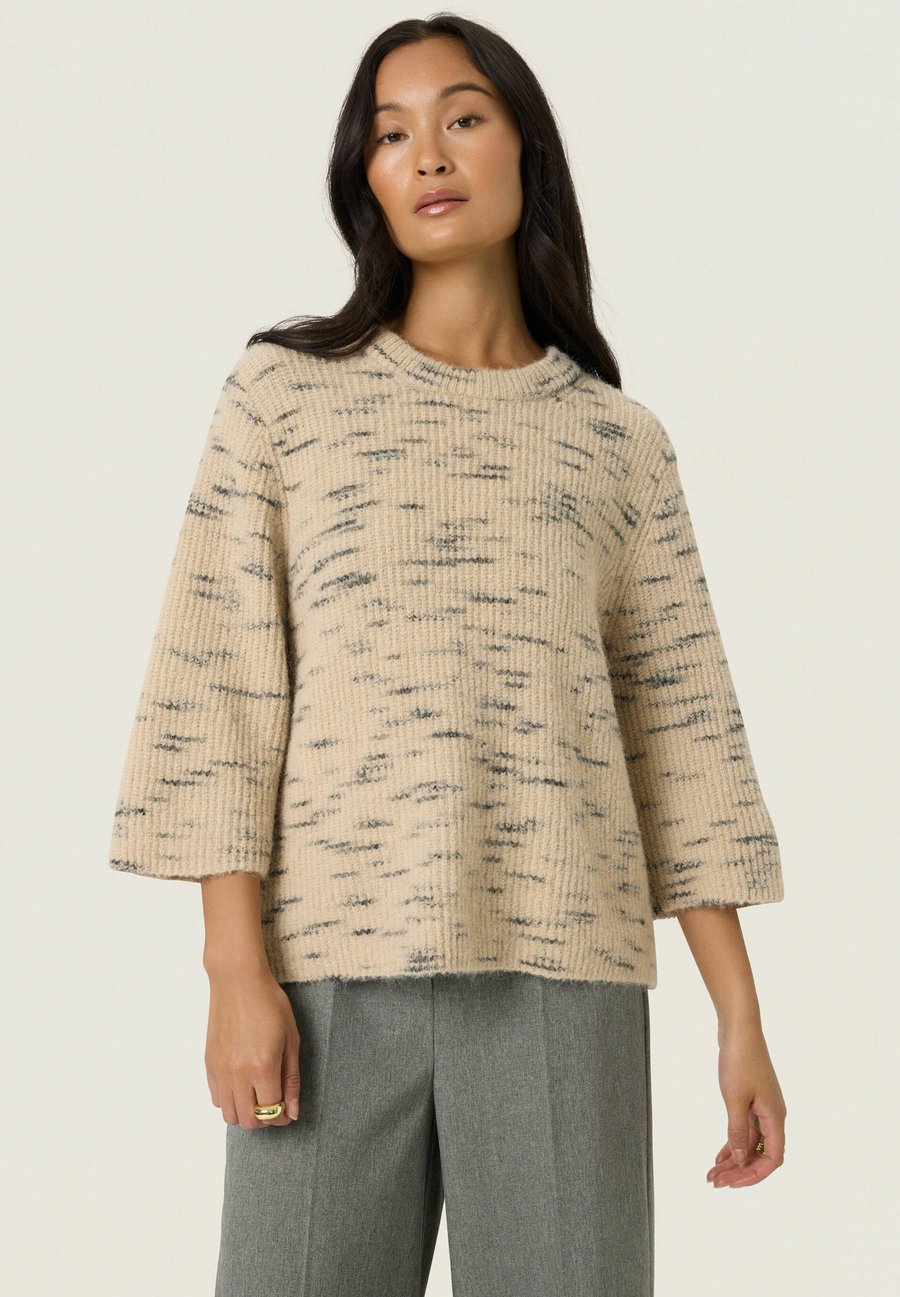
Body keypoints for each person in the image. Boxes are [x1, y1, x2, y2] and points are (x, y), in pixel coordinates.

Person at [107, 14, 787, 1297]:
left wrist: (740, 1019)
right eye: (390, 132)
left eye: (463, 117)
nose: (427, 154)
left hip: (564, 977)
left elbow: (682, 736)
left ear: (525, 146)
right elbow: (220, 693)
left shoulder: (618, 443)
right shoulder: (283, 398)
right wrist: (232, 967)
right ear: (362, 175)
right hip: (324, 980)